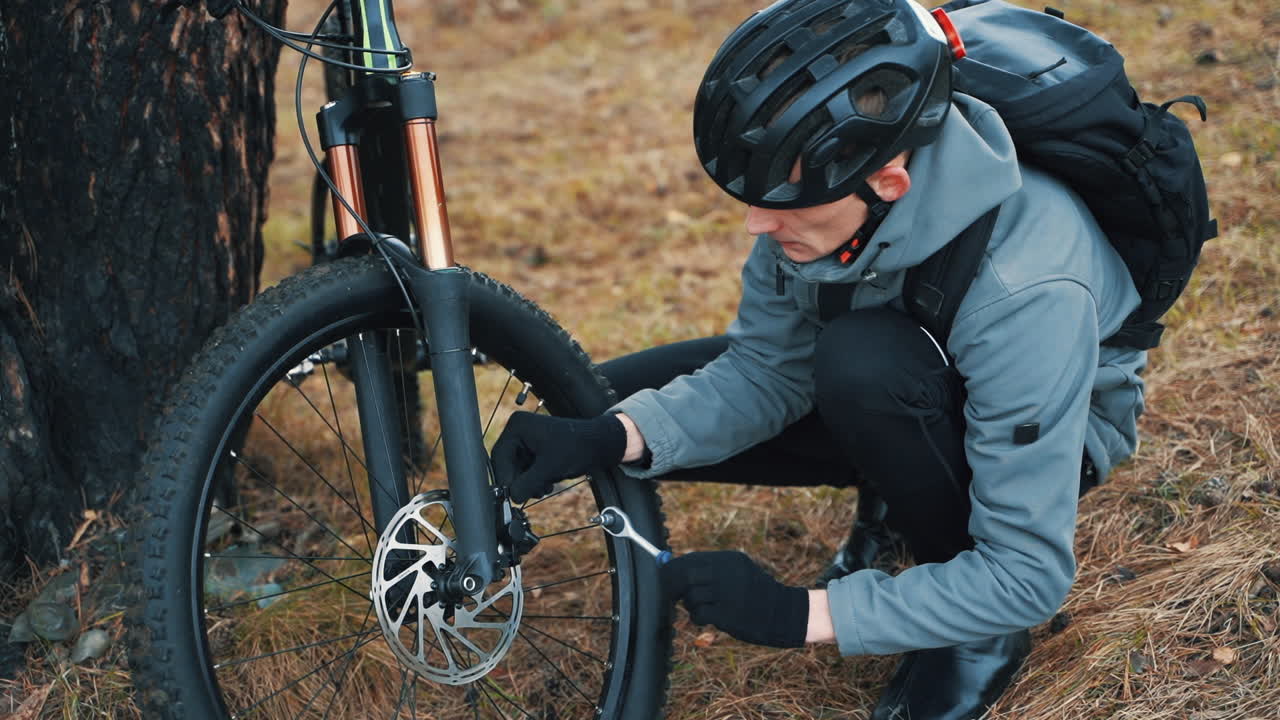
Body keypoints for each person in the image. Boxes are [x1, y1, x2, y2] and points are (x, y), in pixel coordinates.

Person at [491, 0, 1147, 717]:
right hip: (895, 382)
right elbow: (767, 371)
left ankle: (976, 637)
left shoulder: (1026, 287)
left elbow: (1028, 573)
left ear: (888, 181)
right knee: (608, 397)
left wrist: (797, 614)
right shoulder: (819, 200)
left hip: (1038, 426)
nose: (756, 222)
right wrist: (610, 435)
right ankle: (895, 492)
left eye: (783, 203)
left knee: (863, 363)